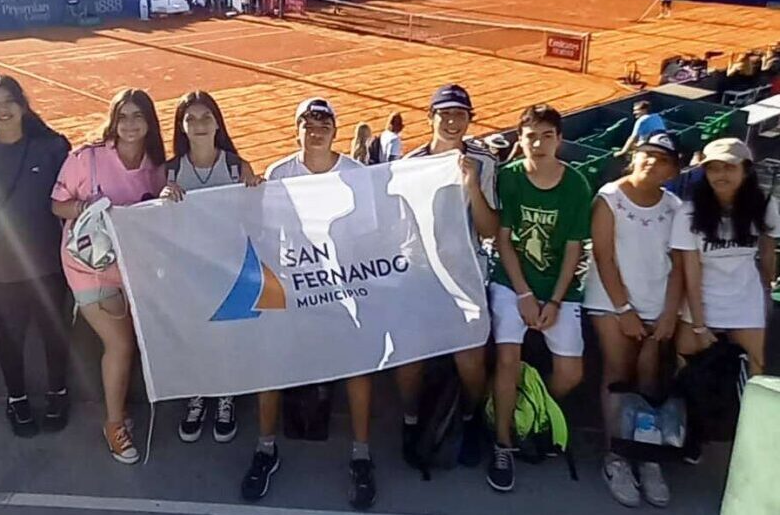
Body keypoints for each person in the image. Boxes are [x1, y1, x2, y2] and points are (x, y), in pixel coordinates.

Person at [241, 98, 375, 510]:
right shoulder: (280, 173)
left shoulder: (356, 174)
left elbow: (367, 239)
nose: (315, 130)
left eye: (323, 123)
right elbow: (266, 233)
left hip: (343, 290)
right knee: (270, 364)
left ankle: (362, 454)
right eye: (307, 123)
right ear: (296, 129)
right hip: (291, 288)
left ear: (335, 130)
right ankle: (266, 448)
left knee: (358, 365)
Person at [51, 89, 166, 463]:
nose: (131, 125)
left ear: (149, 123)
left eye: (139, 117)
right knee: (120, 345)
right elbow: (57, 204)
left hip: (135, 268)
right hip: (89, 270)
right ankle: (114, 423)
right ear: (113, 121)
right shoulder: (86, 159)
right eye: (124, 117)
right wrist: (87, 207)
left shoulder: (158, 166)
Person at [487, 104, 592, 493]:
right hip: (511, 283)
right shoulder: (510, 177)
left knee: (571, 373)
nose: (539, 143)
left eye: (548, 136)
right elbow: (504, 241)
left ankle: (529, 410)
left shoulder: (576, 184)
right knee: (507, 359)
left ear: (560, 140)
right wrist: (526, 294)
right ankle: (502, 442)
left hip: (560, 291)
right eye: (531, 136)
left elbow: (572, 249)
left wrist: (554, 301)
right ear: (521, 140)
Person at [0, 74, 72, 438]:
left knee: (55, 334)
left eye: (8, 100)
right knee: (11, 338)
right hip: (2, 270)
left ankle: (58, 393)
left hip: (49, 264)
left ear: (23, 105)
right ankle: (17, 399)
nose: (2, 109)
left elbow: (70, 197)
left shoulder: (53, 147)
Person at [399, 83, 498, 468]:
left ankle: (470, 420)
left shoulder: (485, 163)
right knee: (408, 360)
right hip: (421, 275)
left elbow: (489, 230)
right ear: (431, 117)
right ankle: (410, 423)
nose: (453, 121)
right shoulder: (409, 164)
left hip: (465, 276)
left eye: (461, 114)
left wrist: (472, 184)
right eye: (446, 113)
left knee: (471, 361)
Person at [584, 133, 682, 508]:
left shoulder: (675, 207)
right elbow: (605, 258)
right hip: (611, 302)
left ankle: (647, 456)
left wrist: (670, 312)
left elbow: (677, 267)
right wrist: (624, 309)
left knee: (649, 376)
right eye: (646, 155)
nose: (651, 163)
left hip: (657, 305)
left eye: (661, 159)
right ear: (634, 157)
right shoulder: (609, 198)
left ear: (673, 169)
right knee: (619, 372)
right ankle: (617, 456)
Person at [160, 91, 262, 445]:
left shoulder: (237, 167)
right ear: (182, 126)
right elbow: (157, 225)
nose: (199, 124)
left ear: (218, 122)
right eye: (192, 119)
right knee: (194, 335)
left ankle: (225, 395)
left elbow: (256, 216)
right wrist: (161, 203)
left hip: (230, 269)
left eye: (206, 117)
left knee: (226, 338)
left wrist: (257, 190)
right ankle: (198, 392)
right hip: (188, 273)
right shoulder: (170, 171)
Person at [672, 138, 778, 380]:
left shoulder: (765, 205)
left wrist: (764, 293)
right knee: (687, 374)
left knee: (754, 373)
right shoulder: (688, 212)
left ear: (746, 169)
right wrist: (699, 325)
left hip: (745, 304)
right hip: (701, 305)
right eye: (713, 168)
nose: (721, 175)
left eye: (729, 167)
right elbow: (691, 270)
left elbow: (768, 253)